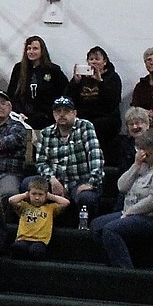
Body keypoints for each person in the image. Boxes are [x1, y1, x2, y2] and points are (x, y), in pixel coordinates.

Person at [29, 96, 104, 226]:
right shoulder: (46, 133)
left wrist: (91, 182)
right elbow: (41, 162)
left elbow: (95, 155)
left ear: (74, 113)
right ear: (53, 114)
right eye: (58, 111)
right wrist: (52, 179)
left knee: (87, 198)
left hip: (80, 181)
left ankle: (86, 232)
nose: (62, 114)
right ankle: (36, 228)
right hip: (55, 181)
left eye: (66, 111)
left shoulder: (85, 127)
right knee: (27, 185)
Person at [90, 130, 153, 268]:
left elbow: (152, 201)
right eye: (140, 149)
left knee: (110, 229)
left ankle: (125, 272)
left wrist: (131, 212)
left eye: (145, 149)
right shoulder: (141, 165)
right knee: (97, 226)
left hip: (148, 215)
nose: (142, 152)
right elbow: (121, 186)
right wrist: (135, 166)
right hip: (129, 211)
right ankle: (112, 264)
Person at [66, 45, 123, 165]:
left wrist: (100, 82)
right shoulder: (82, 78)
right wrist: (75, 83)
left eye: (97, 59)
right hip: (84, 116)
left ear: (105, 61)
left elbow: (112, 102)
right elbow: (68, 99)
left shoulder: (113, 77)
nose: (94, 62)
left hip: (105, 117)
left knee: (96, 126)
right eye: (91, 59)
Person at [7, 35, 68, 130]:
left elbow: (64, 92)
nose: (31, 51)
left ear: (42, 51)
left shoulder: (53, 69)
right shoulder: (18, 68)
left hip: (45, 115)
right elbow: (11, 94)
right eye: (29, 49)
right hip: (21, 114)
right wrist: (18, 112)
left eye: (35, 48)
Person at [7, 179, 68, 260]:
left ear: (45, 195)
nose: (37, 197)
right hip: (23, 239)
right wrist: (26, 195)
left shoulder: (50, 208)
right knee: (17, 248)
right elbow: (11, 200)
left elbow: (66, 202)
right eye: (34, 194)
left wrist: (50, 196)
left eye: (40, 194)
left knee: (36, 251)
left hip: (40, 241)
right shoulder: (24, 206)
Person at [130, 47, 153, 120]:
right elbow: (134, 107)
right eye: (149, 60)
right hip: (143, 122)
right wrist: (145, 113)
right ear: (145, 63)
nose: (152, 63)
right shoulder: (140, 86)